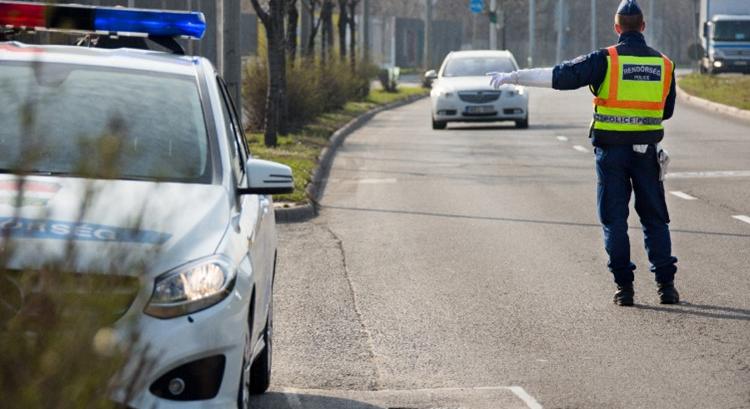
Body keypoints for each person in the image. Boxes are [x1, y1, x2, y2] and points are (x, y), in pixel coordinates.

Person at [489, 0, 679, 306]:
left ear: (617, 28)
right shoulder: (665, 64)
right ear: (643, 27)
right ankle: (666, 287)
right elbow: (666, 112)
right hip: (647, 154)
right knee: (655, 219)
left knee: (614, 221)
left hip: (611, 155)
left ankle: (625, 289)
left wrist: (515, 76)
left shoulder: (606, 59)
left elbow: (560, 76)